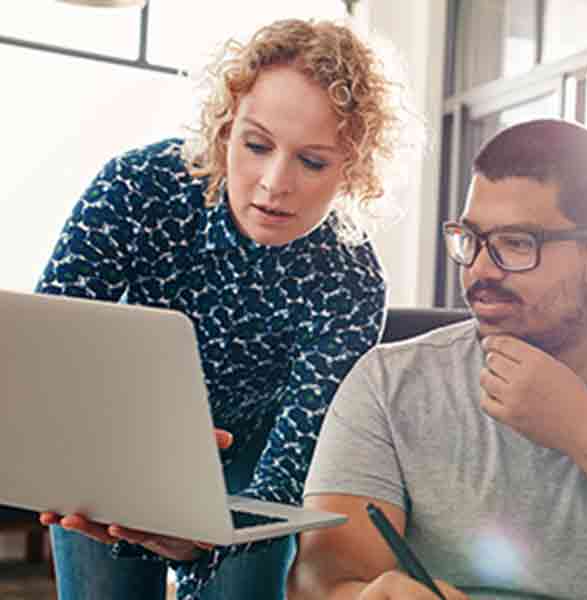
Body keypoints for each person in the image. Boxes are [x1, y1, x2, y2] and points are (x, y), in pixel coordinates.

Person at [34, 18, 421, 600]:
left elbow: (296, 451)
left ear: (354, 170)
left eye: (312, 162)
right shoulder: (138, 187)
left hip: (255, 458)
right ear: (225, 128)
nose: (273, 183)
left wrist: (207, 540)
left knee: (245, 582)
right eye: (257, 145)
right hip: (119, 434)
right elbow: (48, 342)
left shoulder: (352, 279)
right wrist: (103, 450)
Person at [289, 119, 587, 600]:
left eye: (517, 243)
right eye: (470, 238)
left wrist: (580, 426)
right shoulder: (386, 381)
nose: (480, 269)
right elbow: (320, 582)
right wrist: (373, 596)